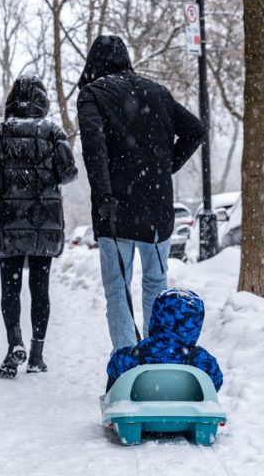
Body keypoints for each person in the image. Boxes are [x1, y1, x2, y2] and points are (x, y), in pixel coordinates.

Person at [77, 35, 207, 351]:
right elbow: (196, 130)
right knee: (155, 285)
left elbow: (94, 150)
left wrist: (104, 195)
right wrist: (166, 166)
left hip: (116, 210)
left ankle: (126, 364)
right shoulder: (158, 93)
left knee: (117, 288)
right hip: (156, 208)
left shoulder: (92, 95)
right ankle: (157, 358)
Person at [0, 74, 78, 379]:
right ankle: (36, 355)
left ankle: (13, 342)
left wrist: (2, 185)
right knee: (40, 289)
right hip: (44, 223)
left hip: (8, 221)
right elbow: (69, 172)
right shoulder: (53, 132)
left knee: (10, 287)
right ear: (42, 99)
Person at [106, 288, 223, 392]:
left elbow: (114, 373)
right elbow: (214, 385)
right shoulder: (202, 361)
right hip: (187, 414)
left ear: (155, 319)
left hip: (138, 414)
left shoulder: (131, 356)